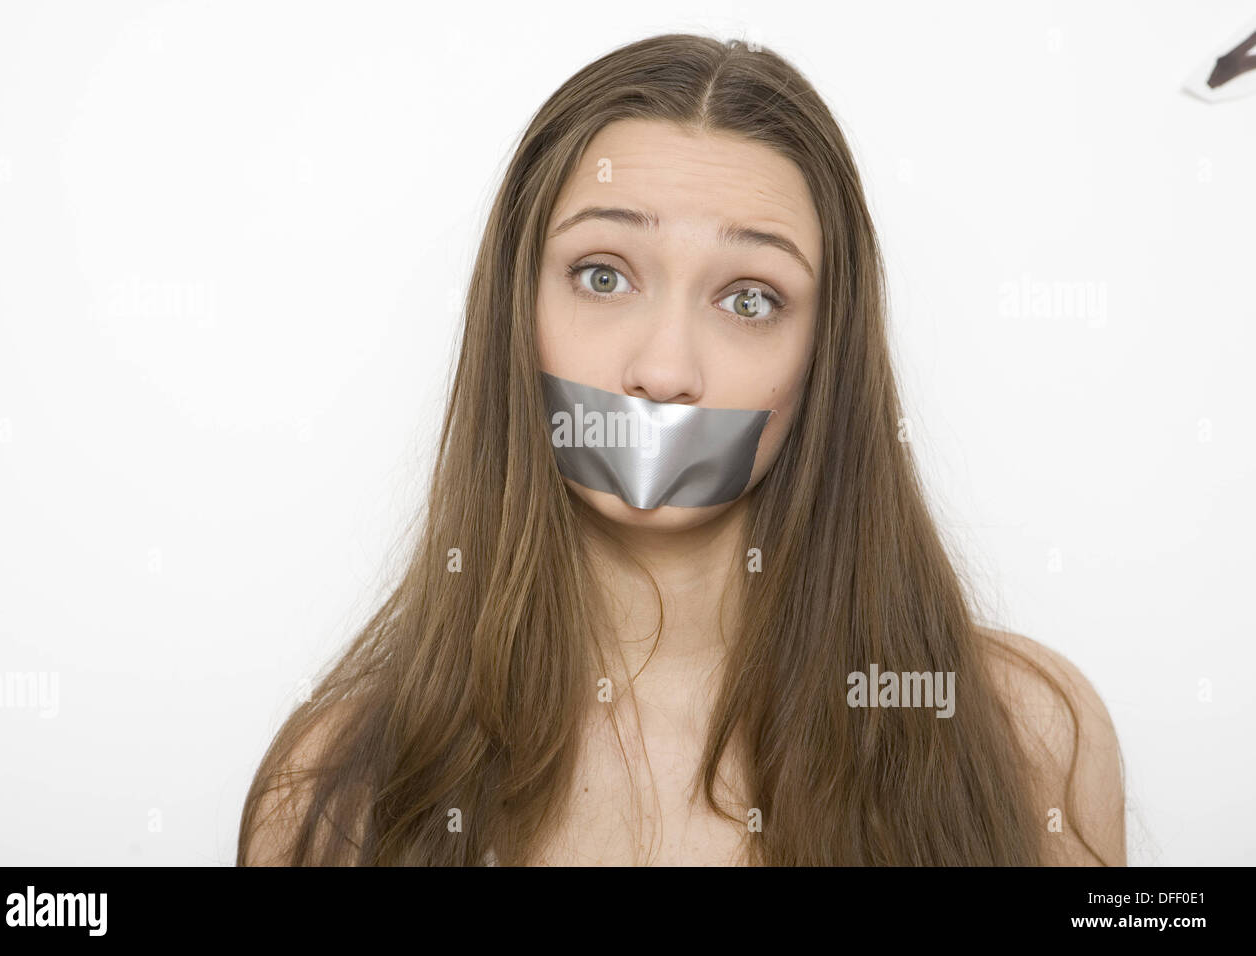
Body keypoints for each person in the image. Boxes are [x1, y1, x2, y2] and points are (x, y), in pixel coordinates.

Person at [238, 32, 1126, 867]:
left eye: (749, 300)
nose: (663, 372)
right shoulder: (329, 790)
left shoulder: (1029, 735)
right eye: (603, 276)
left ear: (825, 356)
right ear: (515, 311)